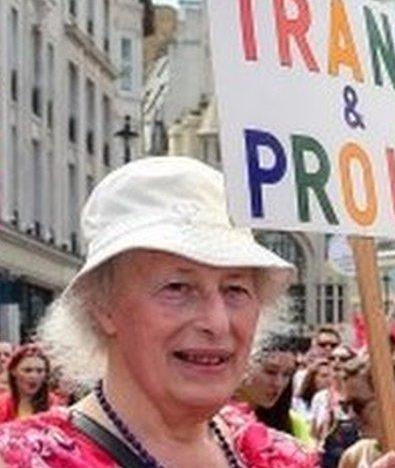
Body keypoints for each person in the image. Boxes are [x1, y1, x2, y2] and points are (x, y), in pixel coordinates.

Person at [0, 156, 316, 466]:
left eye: (235, 289)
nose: (217, 323)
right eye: (177, 288)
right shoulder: (24, 460)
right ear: (102, 305)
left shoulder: (275, 457)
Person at [236, 344, 314, 448]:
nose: (278, 383)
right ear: (244, 367)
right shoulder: (213, 418)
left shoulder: (295, 423)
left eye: (287, 374)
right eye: (270, 372)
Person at [0, 344, 59, 422]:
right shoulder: (2, 404)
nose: (34, 376)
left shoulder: (54, 404)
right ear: (13, 372)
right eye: (27, 370)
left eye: (40, 371)